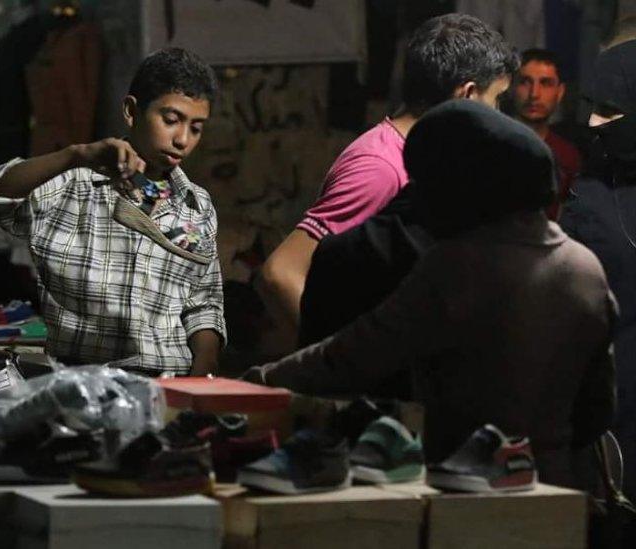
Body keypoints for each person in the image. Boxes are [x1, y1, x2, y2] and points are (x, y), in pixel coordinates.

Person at [244, 99, 617, 491]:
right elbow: (597, 410)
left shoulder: (460, 264)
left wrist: (261, 379)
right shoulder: (586, 268)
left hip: (470, 493)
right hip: (557, 491)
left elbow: (357, 353)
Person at [257, 14, 518, 344]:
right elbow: (281, 272)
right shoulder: (380, 167)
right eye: (496, 99)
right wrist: (340, 362)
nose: (497, 114)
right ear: (467, 95)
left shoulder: (425, 157)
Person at [0, 47, 225, 377]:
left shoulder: (196, 207)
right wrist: (76, 155)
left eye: (196, 128)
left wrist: (202, 375)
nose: (182, 139)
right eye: (171, 120)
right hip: (83, 380)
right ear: (132, 111)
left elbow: (203, 303)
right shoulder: (74, 185)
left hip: (170, 380)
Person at [561, 39, 636, 503]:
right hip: (612, 416)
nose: (594, 123)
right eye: (593, 108)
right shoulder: (589, 196)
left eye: (610, 110)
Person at [513, 48, 581, 220]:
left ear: (560, 92)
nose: (534, 94)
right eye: (525, 82)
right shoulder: (490, 145)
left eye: (546, 83)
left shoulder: (568, 157)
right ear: (511, 87)